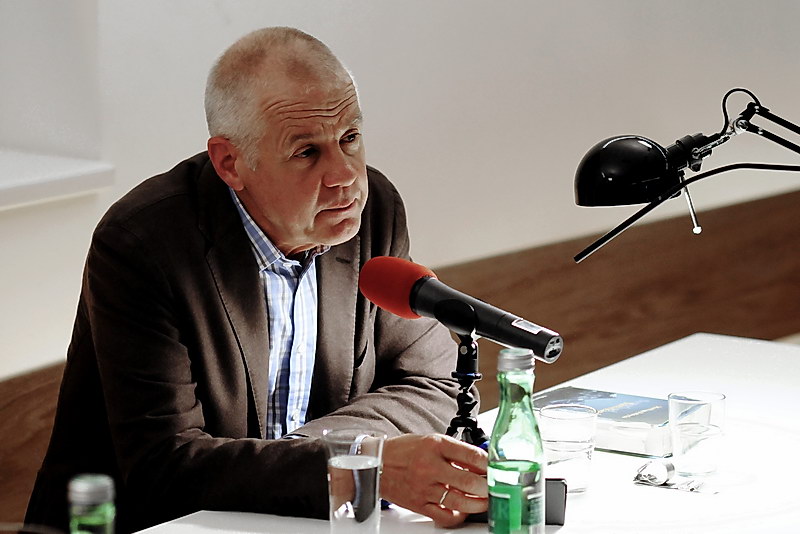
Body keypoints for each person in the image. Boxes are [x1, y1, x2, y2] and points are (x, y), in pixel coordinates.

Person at [25, 27, 488, 533]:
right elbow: (163, 467)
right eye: (307, 152)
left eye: (350, 138)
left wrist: (327, 453)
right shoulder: (144, 245)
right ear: (230, 163)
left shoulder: (372, 212)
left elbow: (435, 381)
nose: (346, 176)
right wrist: (354, 463)